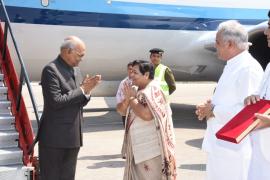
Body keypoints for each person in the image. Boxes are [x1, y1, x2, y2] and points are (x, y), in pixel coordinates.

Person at [195, 20, 264, 180]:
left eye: (218, 43)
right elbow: (229, 100)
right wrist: (209, 106)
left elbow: (249, 115)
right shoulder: (233, 65)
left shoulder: (247, 68)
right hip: (220, 147)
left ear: (230, 44)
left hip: (235, 152)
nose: (215, 46)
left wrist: (213, 110)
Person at [37, 36, 101, 180]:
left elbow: (78, 102)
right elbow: (56, 101)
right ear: (67, 51)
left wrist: (87, 91)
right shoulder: (51, 70)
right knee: (52, 176)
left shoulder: (76, 70)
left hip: (73, 137)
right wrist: (82, 89)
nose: (82, 59)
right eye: (80, 55)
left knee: (68, 177)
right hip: (55, 139)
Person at [120, 60, 176, 180]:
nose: (131, 75)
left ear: (146, 75)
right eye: (130, 72)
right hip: (138, 149)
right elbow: (121, 110)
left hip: (151, 151)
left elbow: (146, 115)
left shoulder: (153, 90)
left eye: (135, 72)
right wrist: (128, 99)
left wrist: (130, 98)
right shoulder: (134, 89)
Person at [244, 10, 270, 180]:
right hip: (261, 153)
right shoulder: (269, 67)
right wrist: (253, 97)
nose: (266, 32)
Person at [116, 62, 133, 126]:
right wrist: (121, 105)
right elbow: (118, 94)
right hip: (125, 110)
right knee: (126, 129)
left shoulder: (137, 81)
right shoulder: (123, 82)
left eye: (132, 69)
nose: (131, 71)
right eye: (129, 69)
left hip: (133, 110)